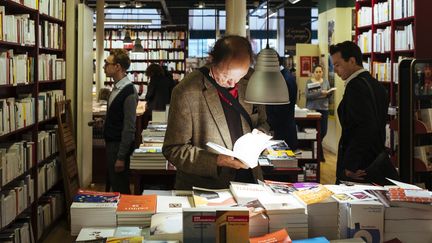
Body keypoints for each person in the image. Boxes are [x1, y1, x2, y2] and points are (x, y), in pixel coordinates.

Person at [162, 35, 269, 190]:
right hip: (207, 186)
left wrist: (260, 135)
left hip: (250, 180)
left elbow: (263, 122)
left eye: (239, 77)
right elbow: (174, 149)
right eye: (226, 76)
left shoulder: (252, 80)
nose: (233, 83)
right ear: (211, 59)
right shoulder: (187, 91)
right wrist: (217, 160)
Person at [330, 41, 388, 183]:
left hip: (359, 167)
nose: (335, 70)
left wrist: (350, 165)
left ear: (352, 61)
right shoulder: (376, 85)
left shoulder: (355, 87)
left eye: (338, 65)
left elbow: (364, 128)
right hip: (374, 158)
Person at [103, 49, 138, 194]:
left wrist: (121, 157)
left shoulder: (128, 91)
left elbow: (129, 128)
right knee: (116, 185)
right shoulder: (116, 89)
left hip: (118, 147)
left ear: (117, 67)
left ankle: (125, 215)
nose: (104, 66)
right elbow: (118, 118)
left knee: (120, 187)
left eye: (107, 63)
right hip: (112, 144)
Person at [266, 56, 298, 150]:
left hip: (284, 133)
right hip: (282, 130)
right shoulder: (282, 76)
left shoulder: (285, 80)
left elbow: (281, 111)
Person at [305, 65, 331, 161]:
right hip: (312, 109)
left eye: (320, 71)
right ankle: (319, 156)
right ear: (313, 73)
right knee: (313, 132)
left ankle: (317, 152)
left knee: (323, 131)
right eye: (317, 71)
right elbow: (308, 95)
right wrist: (320, 93)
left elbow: (328, 94)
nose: (319, 73)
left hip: (324, 109)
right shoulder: (309, 82)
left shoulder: (326, 81)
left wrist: (328, 94)